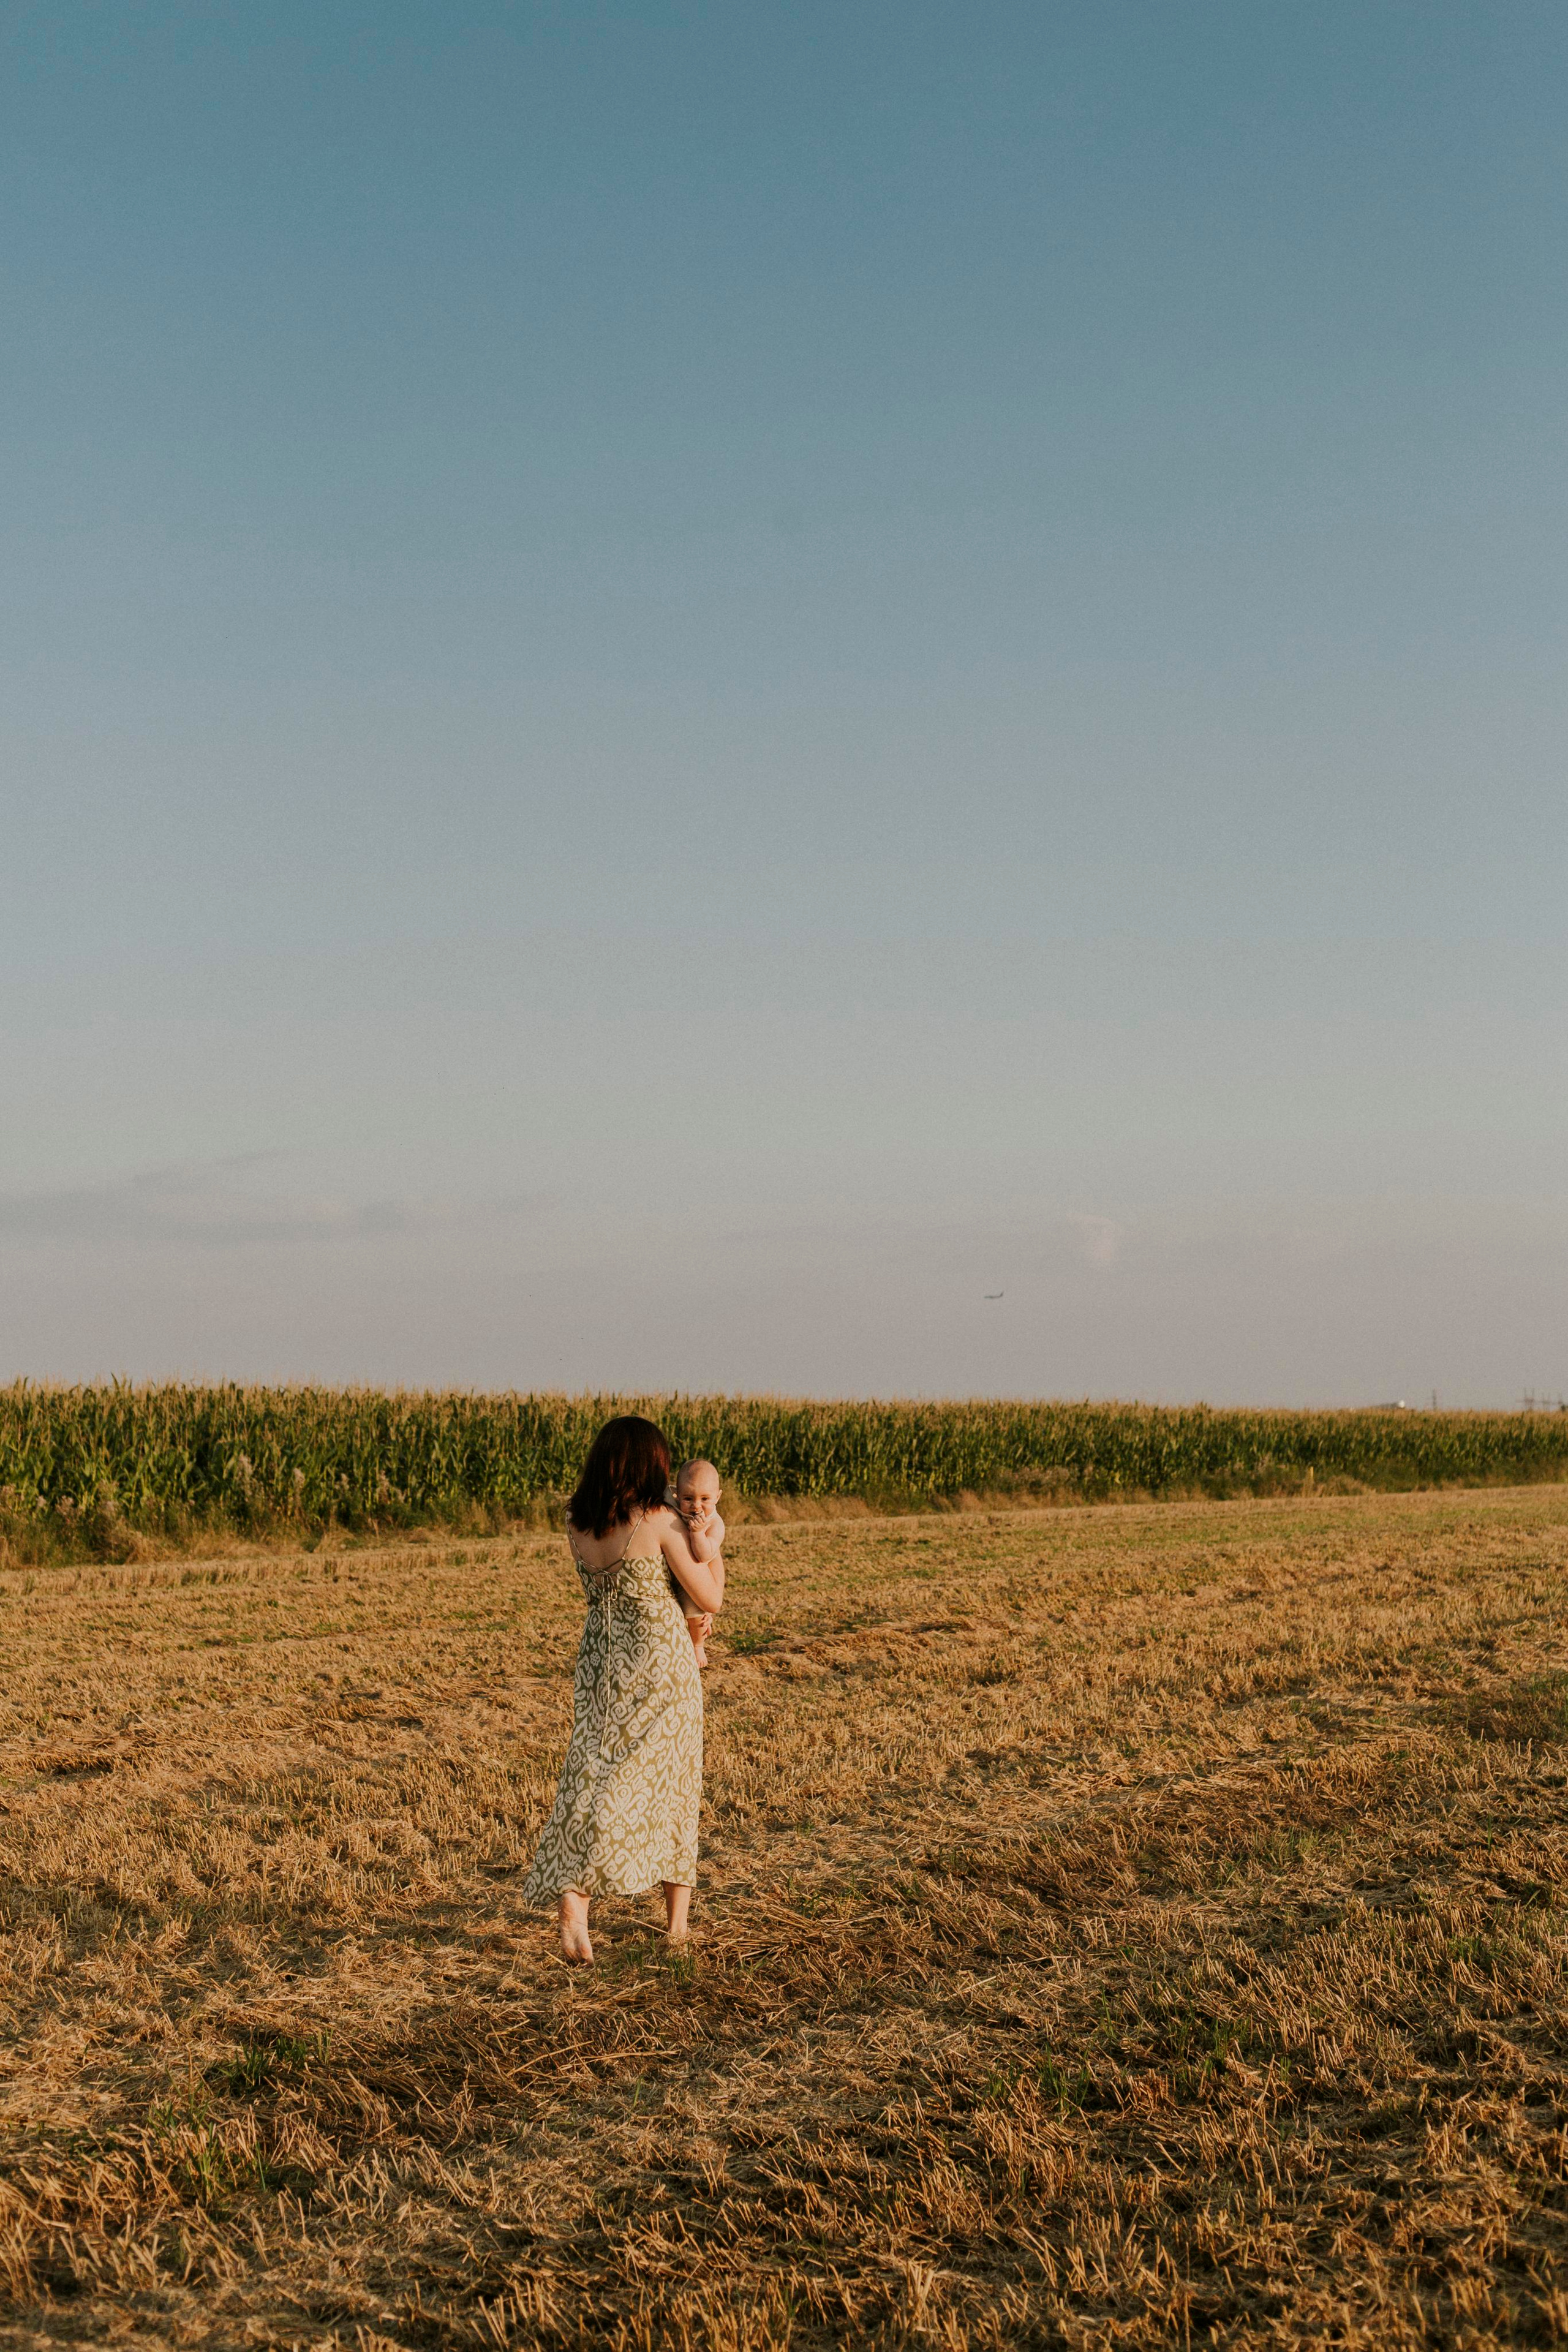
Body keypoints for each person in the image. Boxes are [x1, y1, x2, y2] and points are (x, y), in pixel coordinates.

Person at [521, 1414, 725, 1964]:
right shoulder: (659, 1520)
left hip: (599, 1661)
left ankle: (575, 1890)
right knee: (667, 1784)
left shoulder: (577, 1519)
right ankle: (672, 1926)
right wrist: (711, 1536)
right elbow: (709, 1597)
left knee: (591, 1772)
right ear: (648, 1463)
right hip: (659, 1663)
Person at [673, 1456, 725, 1668]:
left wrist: (697, 1534)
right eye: (688, 1498)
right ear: (677, 1495)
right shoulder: (675, 1505)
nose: (696, 1506)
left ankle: (698, 1644)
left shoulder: (715, 1524)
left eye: (705, 1499)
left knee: (696, 1614)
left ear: (717, 1497)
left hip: (700, 1571)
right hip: (677, 1567)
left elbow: (704, 1555)